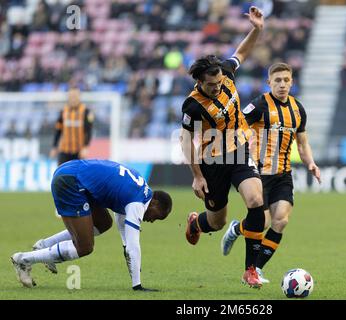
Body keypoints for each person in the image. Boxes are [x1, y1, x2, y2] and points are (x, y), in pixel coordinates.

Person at [180, 6, 266, 288]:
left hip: (240, 150)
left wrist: (257, 29)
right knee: (216, 222)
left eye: (219, 82)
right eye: (211, 85)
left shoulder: (226, 73)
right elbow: (185, 139)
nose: (217, 87)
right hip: (212, 161)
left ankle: (250, 270)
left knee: (256, 203)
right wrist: (197, 175)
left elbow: (241, 53)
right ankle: (196, 223)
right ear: (199, 82)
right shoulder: (192, 105)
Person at [221, 62, 321, 283]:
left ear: (292, 82)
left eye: (286, 80)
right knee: (263, 222)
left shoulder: (298, 110)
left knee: (281, 220)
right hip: (258, 173)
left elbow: (303, 144)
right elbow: (236, 125)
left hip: (283, 174)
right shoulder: (259, 105)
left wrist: (311, 163)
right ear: (269, 83)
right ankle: (237, 229)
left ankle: (256, 268)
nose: (282, 85)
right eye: (278, 80)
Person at [11, 159, 172, 291]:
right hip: (71, 182)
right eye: (158, 216)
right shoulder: (138, 204)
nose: (152, 221)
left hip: (72, 171)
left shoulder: (140, 189)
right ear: (155, 203)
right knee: (85, 247)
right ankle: (23, 259)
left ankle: (45, 245)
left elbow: (124, 232)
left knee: (104, 223)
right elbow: (133, 246)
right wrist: (137, 285)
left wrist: (126, 249)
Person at [49, 88, 94, 165]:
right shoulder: (63, 111)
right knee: (62, 174)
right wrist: (54, 147)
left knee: (78, 175)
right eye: (71, 96)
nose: (73, 99)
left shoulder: (86, 111)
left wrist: (85, 147)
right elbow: (58, 130)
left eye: (75, 96)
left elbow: (88, 131)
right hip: (64, 150)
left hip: (79, 151)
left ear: (79, 97)